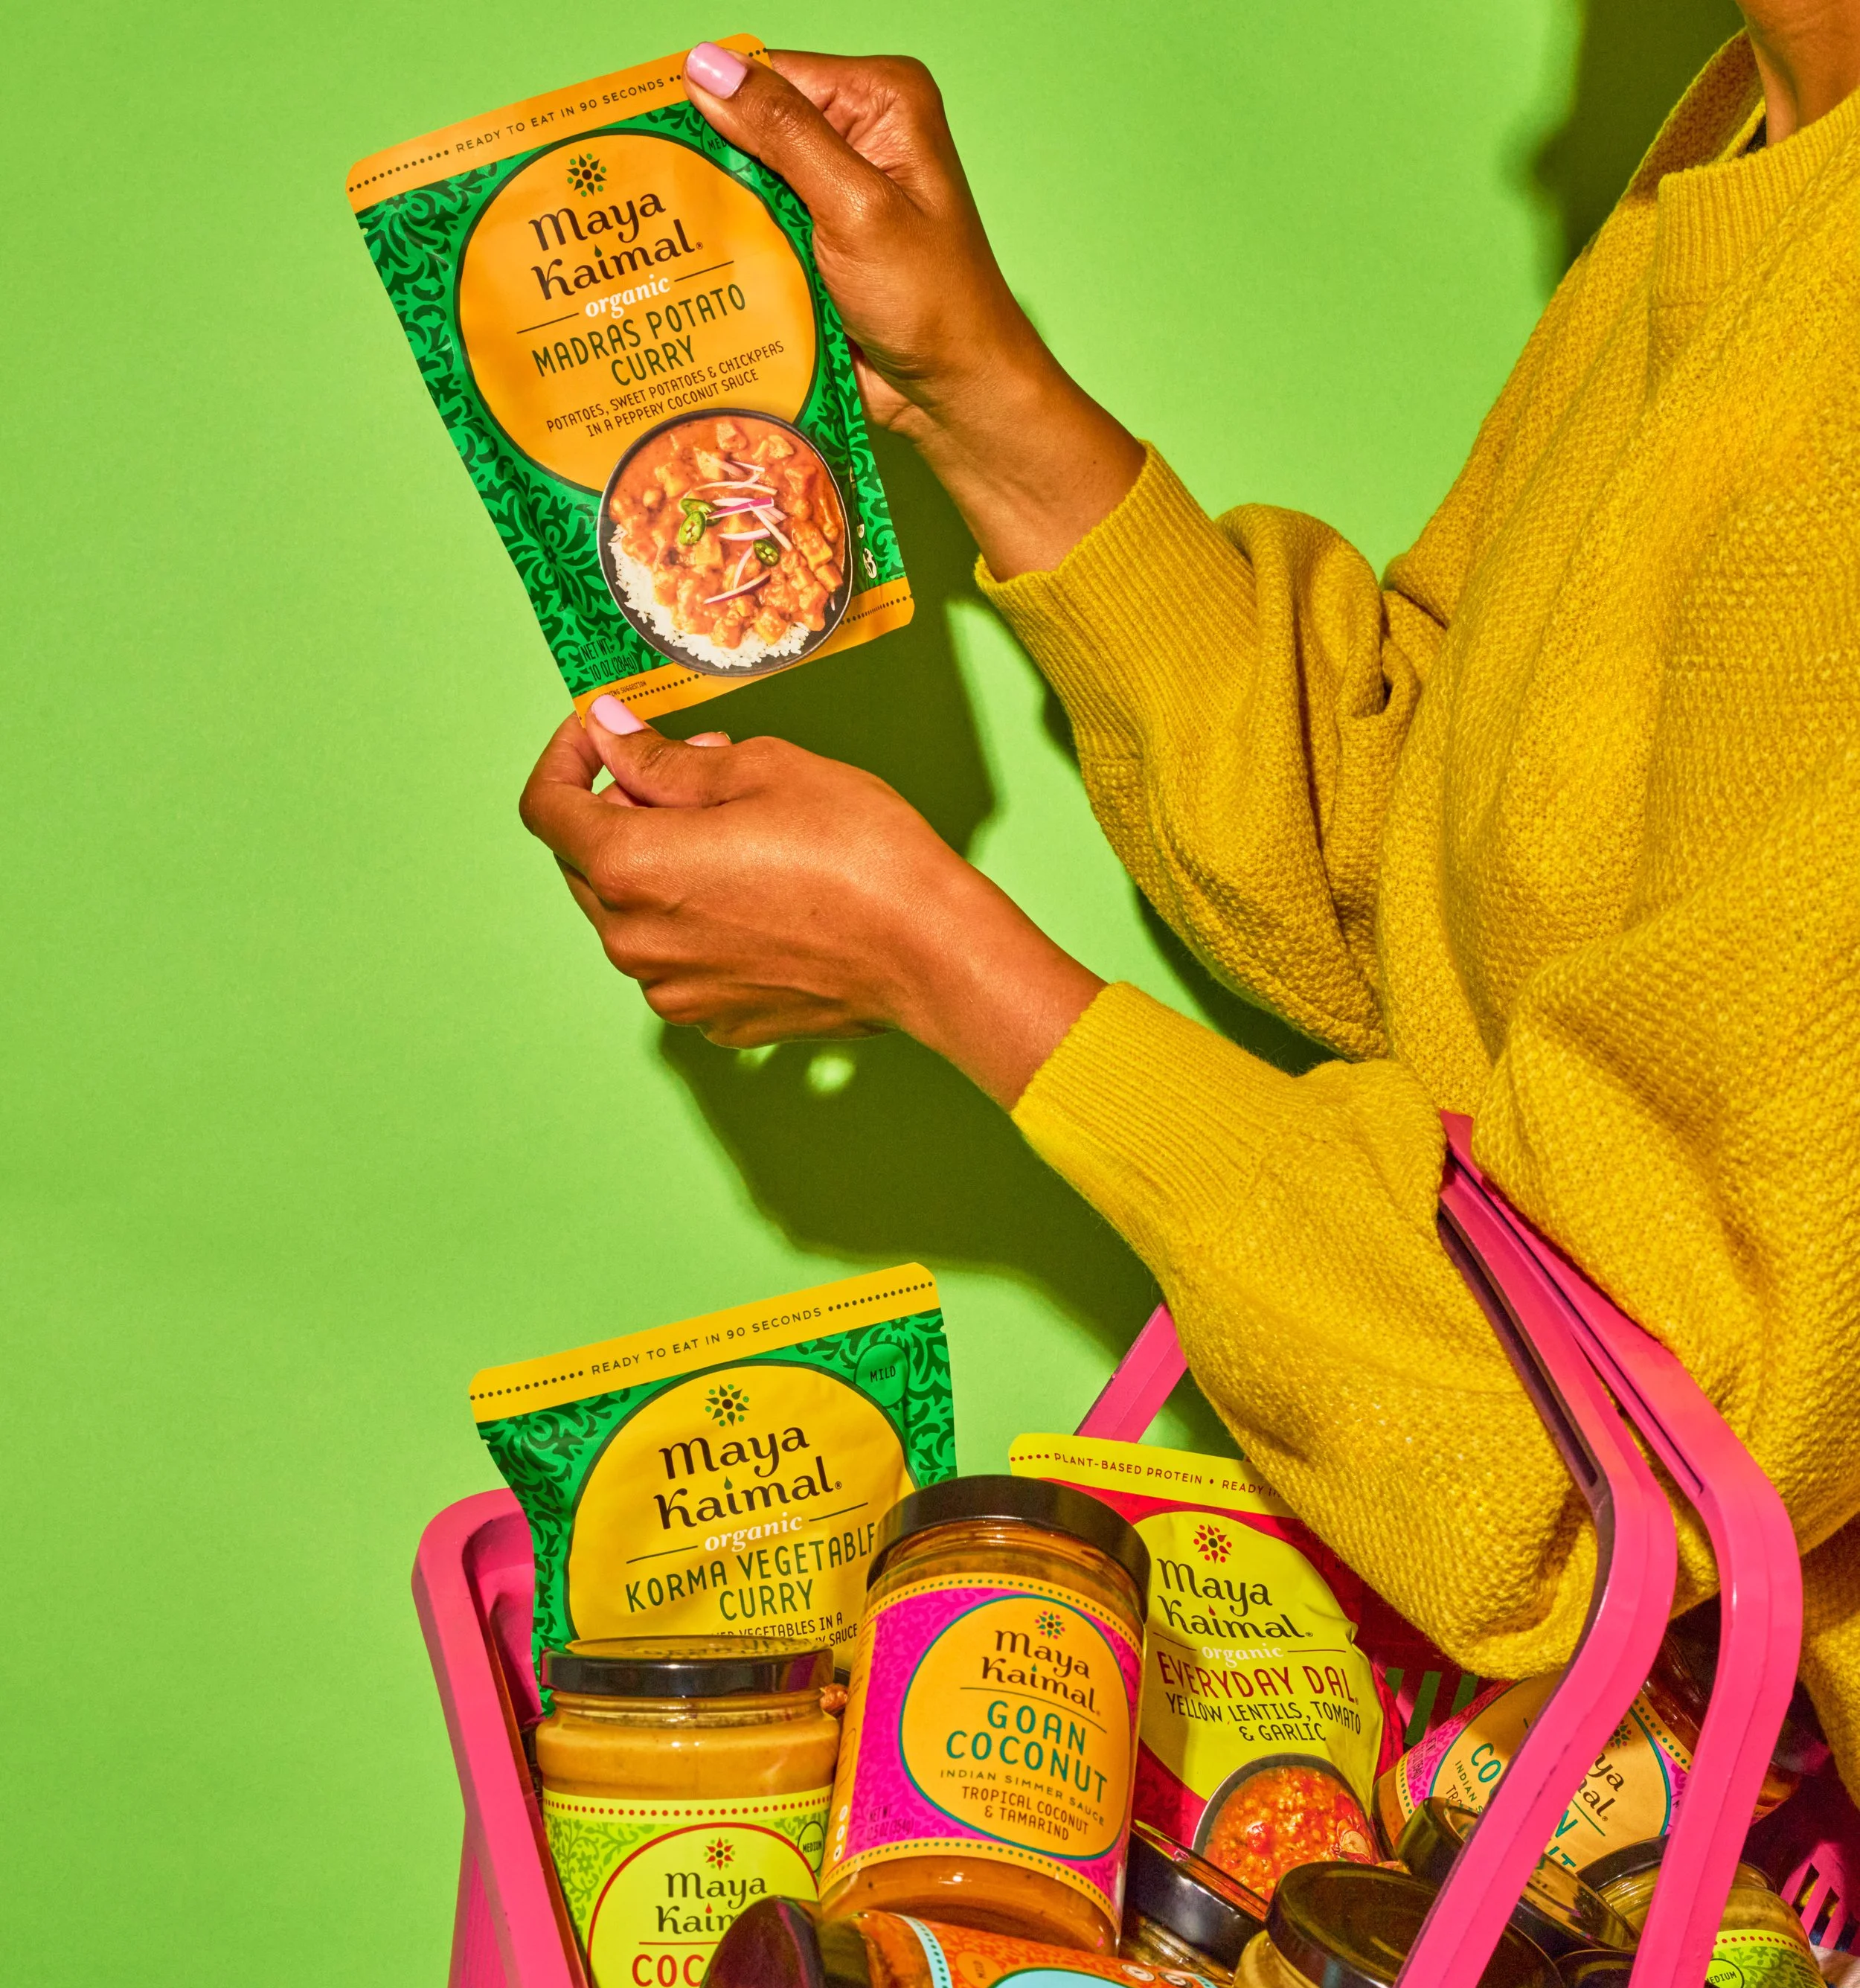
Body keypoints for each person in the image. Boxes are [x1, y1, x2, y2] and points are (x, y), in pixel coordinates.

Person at [519, 19, 1860, 1790]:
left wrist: (937, 957)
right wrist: (981, 391)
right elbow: (1447, 878)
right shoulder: (1760, 129)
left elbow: (1595, 1459)